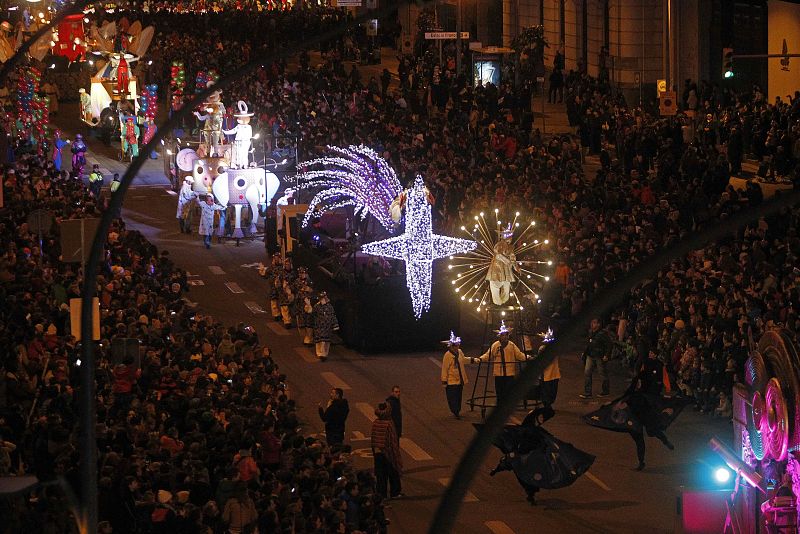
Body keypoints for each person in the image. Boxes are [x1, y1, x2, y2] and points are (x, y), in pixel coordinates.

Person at [583, 348, 680, 471]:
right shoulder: (645, 381)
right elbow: (633, 394)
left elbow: (635, 393)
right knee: (646, 434)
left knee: (646, 434)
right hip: (640, 411)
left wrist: (613, 403)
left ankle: (654, 451)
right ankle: (653, 452)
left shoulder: (644, 381)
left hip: (639, 410)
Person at [486, 407, 595, 505]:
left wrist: (496, 469)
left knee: (528, 477)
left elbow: (509, 459)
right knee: (526, 478)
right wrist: (497, 469)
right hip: (529, 463)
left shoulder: (531, 436)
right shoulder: (522, 442)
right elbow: (509, 459)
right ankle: (530, 494)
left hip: (536, 461)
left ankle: (531, 494)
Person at [472, 321, 529, 406]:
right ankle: (500, 405)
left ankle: (507, 405)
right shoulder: (495, 345)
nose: (505, 337)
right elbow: (488, 355)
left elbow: (519, 355)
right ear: (500, 336)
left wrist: (528, 357)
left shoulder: (512, 345)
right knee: (499, 391)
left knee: (509, 390)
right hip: (499, 373)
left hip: (509, 373)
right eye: (503, 335)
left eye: (506, 335)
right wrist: (480, 359)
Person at [371, 402, 403, 499]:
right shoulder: (389, 423)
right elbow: (393, 440)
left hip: (377, 453)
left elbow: (373, 438)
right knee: (393, 473)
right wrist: (396, 456)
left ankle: (382, 494)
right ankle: (395, 493)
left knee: (381, 475)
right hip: (388, 452)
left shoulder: (376, 422)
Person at [440, 331, 471, 419]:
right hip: (451, 381)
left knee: (459, 397)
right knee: (453, 398)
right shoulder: (447, 355)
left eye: (458, 345)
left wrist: (474, 360)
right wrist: (444, 381)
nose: (457, 347)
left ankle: (457, 411)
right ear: (451, 346)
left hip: (459, 380)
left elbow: (464, 359)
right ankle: (455, 411)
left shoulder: (460, 352)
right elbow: (444, 369)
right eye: (455, 345)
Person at [485, 224, 517, 305]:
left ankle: (503, 301)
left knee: (506, 285)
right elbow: (498, 255)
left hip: (506, 269)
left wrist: (516, 266)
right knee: (495, 284)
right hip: (497, 268)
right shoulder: (499, 245)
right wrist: (508, 261)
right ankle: (497, 302)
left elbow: (512, 257)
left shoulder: (510, 247)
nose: (510, 238)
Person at [580, 318, 612, 399]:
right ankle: (588, 393)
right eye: (592, 322)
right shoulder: (591, 332)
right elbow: (589, 343)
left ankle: (605, 391)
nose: (592, 324)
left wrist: (606, 355)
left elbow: (609, 344)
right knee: (587, 372)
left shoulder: (602, 333)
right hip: (590, 355)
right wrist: (585, 352)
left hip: (599, 356)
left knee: (602, 373)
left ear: (598, 324)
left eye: (594, 323)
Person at [312, 291, 339, 361]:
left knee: (326, 341)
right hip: (319, 327)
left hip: (327, 327)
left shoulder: (330, 307)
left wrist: (335, 324)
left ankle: (324, 354)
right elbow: (313, 315)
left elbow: (333, 315)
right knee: (320, 341)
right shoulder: (316, 306)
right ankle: (320, 354)